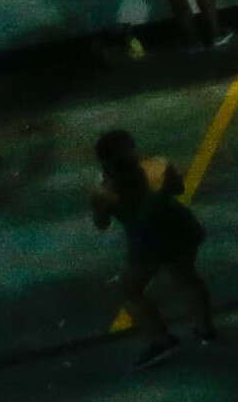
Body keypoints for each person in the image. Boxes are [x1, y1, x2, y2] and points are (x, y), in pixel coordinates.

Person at [92, 126, 216, 365]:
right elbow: (178, 189)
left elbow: (102, 224)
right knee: (187, 278)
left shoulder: (103, 191)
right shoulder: (159, 165)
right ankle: (205, 329)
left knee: (130, 289)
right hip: (179, 229)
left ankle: (161, 341)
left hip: (147, 242)